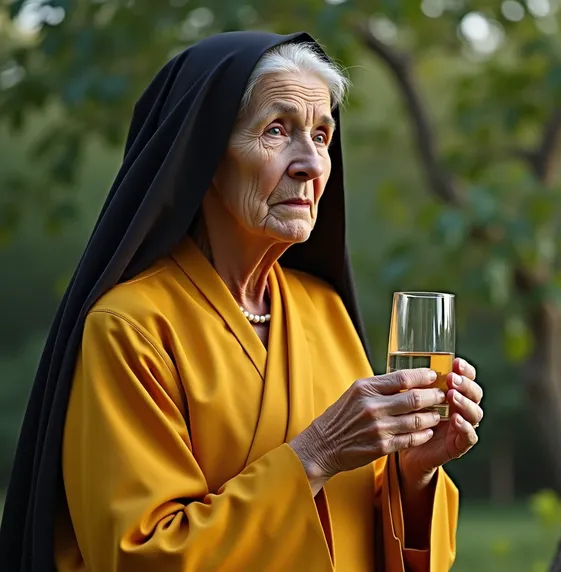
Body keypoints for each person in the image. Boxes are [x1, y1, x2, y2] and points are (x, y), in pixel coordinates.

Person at [0, 31, 484, 571]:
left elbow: (367, 531)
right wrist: (316, 454)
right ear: (202, 157)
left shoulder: (324, 309)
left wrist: (414, 474)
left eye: (322, 136)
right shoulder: (130, 327)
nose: (312, 164)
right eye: (278, 131)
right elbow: (138, 555)